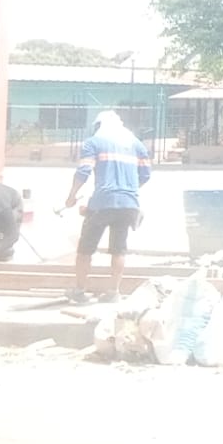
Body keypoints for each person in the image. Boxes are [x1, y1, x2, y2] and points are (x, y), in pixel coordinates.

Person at [62, 109, 151, 304]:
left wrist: (71, 196)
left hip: (103, 203)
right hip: (129, 204)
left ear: (99, 125)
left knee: (85, 249)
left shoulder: (93, 142)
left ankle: (79, 291)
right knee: (119, 249)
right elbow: (145, 175)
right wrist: (127, 191)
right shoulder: (136, 144)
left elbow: (84, 171)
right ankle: (114, 292)